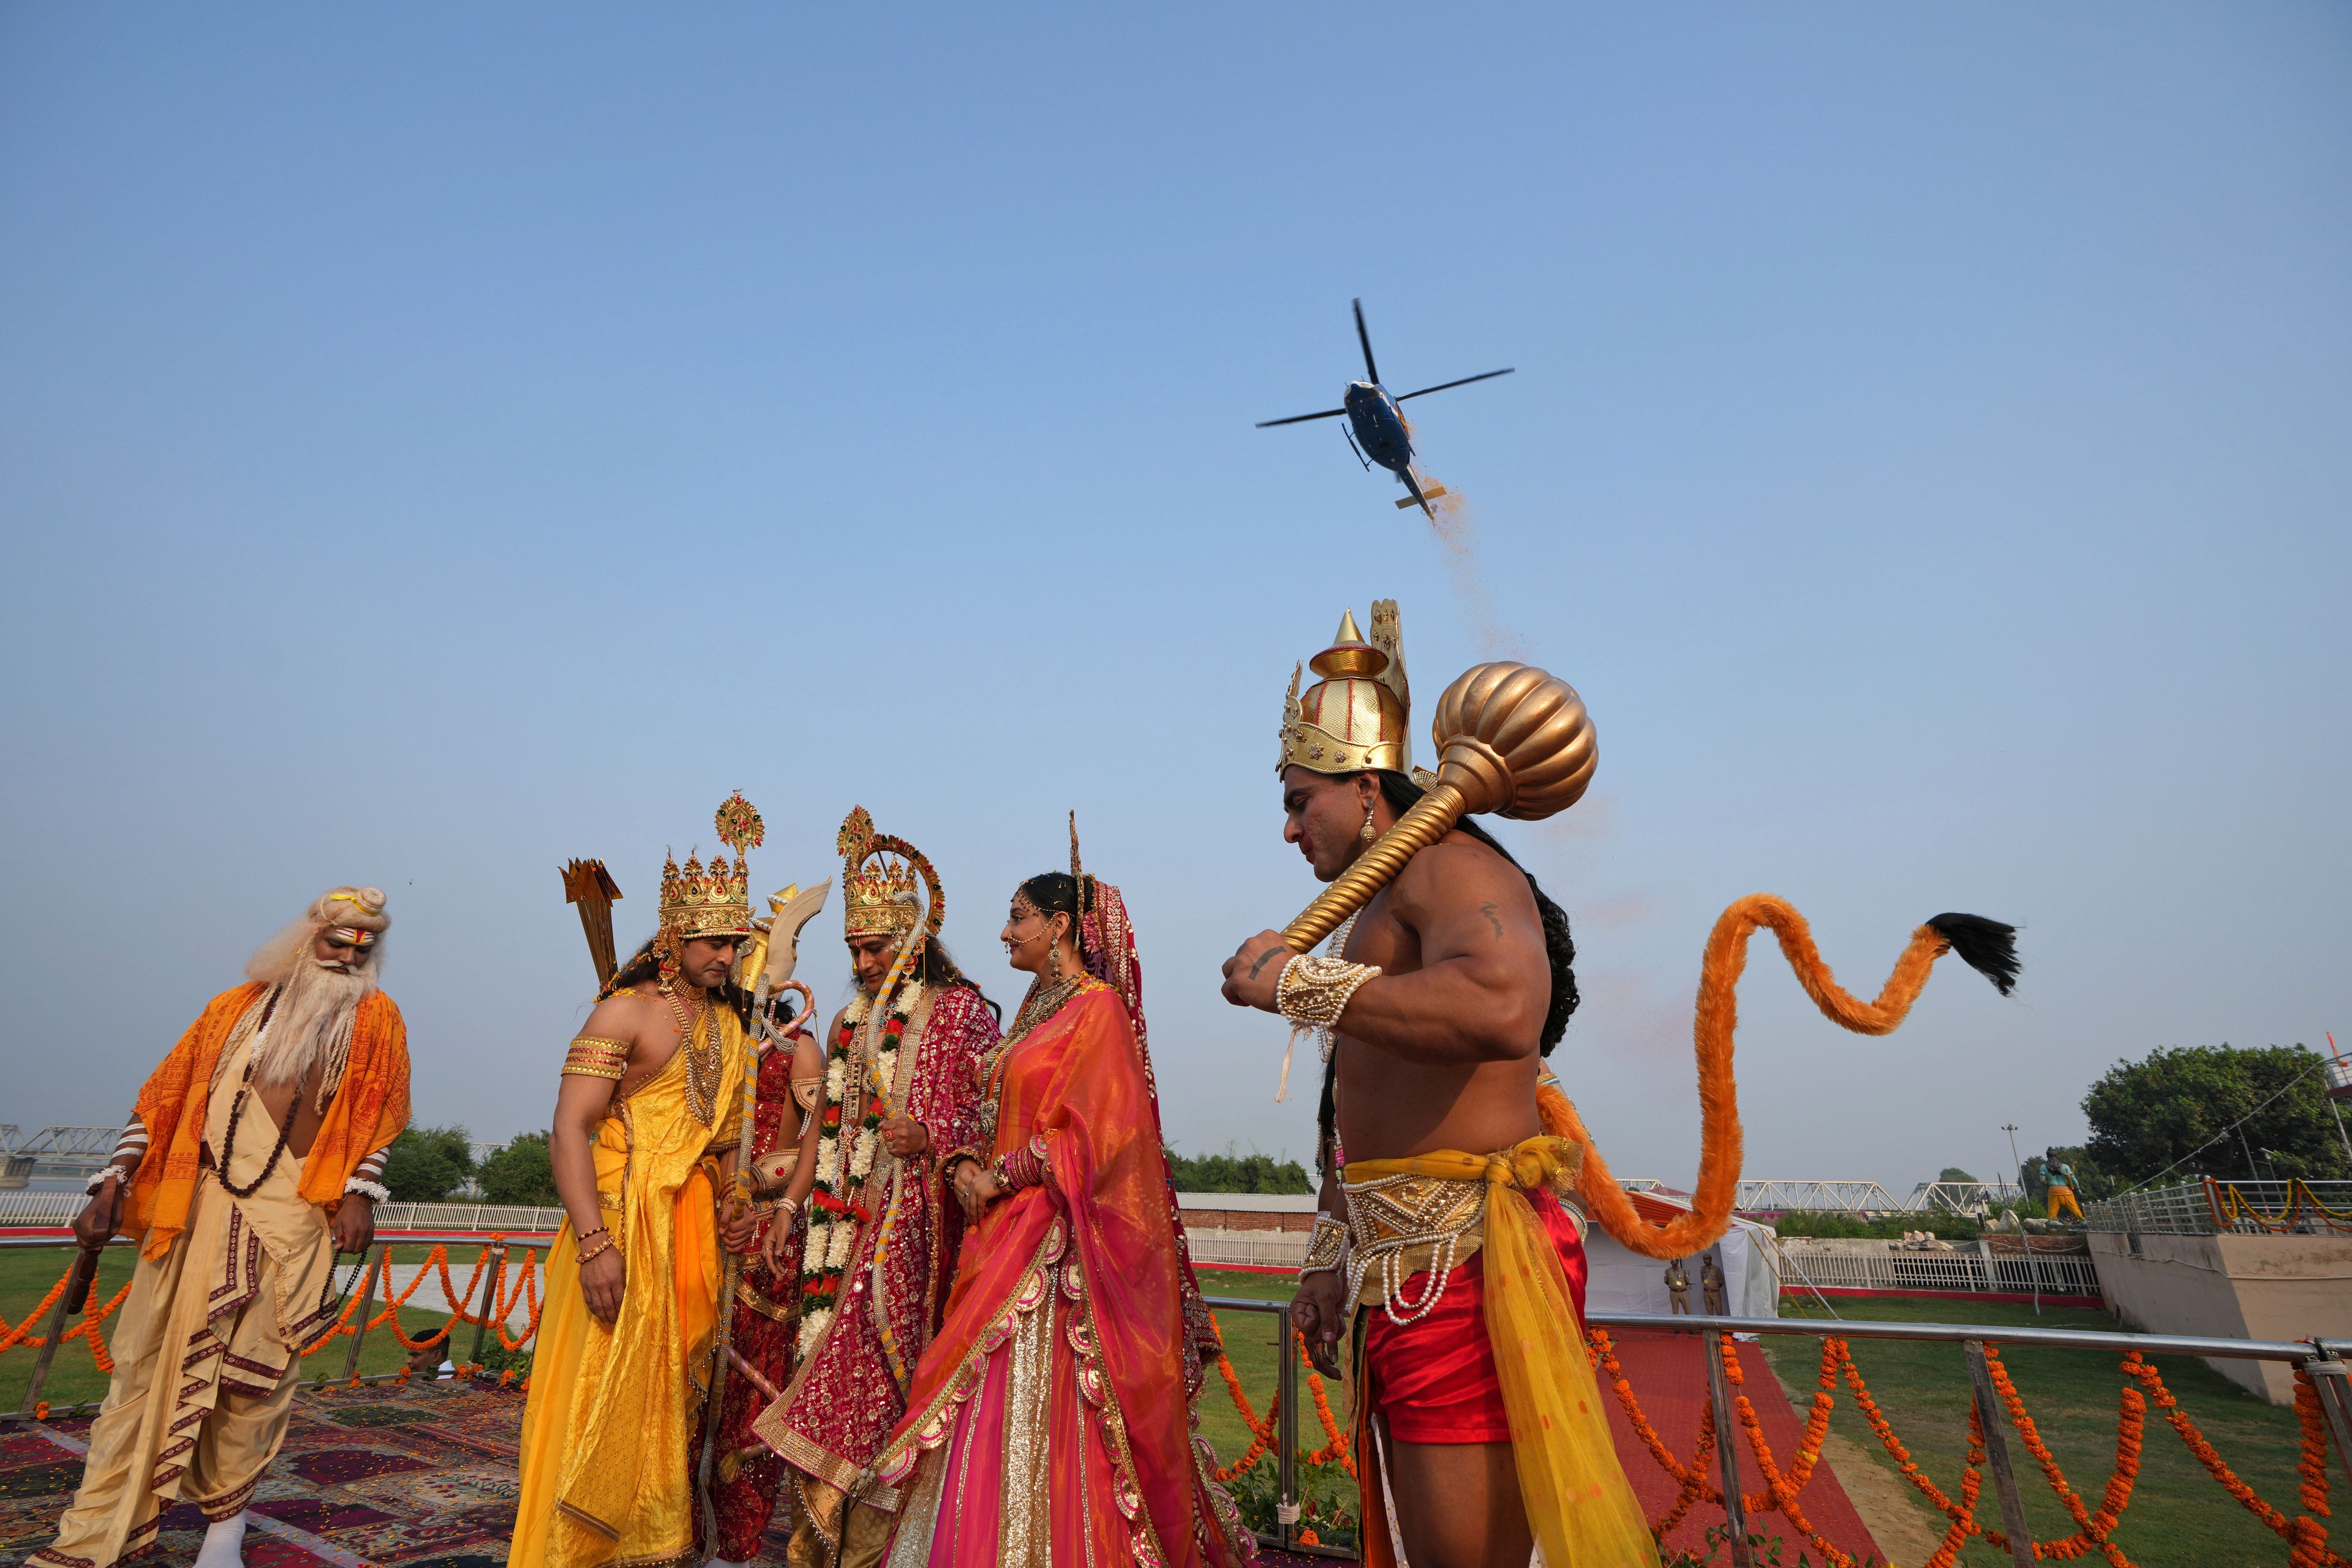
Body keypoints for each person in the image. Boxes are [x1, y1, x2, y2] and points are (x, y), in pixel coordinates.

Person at [1221, 604, 1656, 1568]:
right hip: (1402, 1271)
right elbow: (1356, 1109)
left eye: (1302, 800)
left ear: (1367, 787)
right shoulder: (1378, 905)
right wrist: (1331, 1253)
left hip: (1465, 1261)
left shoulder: (1451, 867)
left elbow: (1503, 1004)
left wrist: (1299, 981)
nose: (1289, 826)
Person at [869, 832, 1257, 1567]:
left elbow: (1103, 1134)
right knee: (988, 1419)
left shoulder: (1097, 1008)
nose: (1006, 931)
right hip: (1003, 1233)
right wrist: (960, 1162)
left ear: (1061, 926)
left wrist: (1003, 1174)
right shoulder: (1033, 1013)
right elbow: (997, 1113)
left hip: (1054, 1251)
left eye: (1019, 916)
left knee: (1049, 1418)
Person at [34, 887, 411, 1568]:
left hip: (293, 1214)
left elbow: (380, 1117)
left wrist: (361, 1192)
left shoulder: (377, 1019)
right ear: (307, 939)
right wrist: (113, 1178)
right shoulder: (233, 1008)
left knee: (256, 1379)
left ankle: (224, 1531)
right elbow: (161, 1098)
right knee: (147, 1365)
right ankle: (102, 1521)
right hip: (203, 1205)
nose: (350, 955)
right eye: (338, 941)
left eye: (364, 947)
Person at [510, 797, 764, 1568]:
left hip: (687, 1229)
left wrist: (739, 1197)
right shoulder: (622, 1013)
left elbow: (723, 1147)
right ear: (675, 937)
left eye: (735, 941)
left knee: (670, 1401)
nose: (727, 955)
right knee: (594, 1392)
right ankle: (570, 1552)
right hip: (619, 1221)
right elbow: (568, 1129)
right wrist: (593, 1244)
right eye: (714, 941)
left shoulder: (730, 1027)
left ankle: (647, 1546)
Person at [753, 808, 998, 1568]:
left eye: (876, 945)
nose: (861, 961)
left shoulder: (960, 1012)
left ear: (914, 941)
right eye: (854, 947)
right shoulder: (849, 1025)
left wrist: (931, 1138)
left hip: (912, 1236)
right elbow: (823, 1127)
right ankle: (820, 1546)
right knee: (822, 1365)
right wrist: (791, 1208)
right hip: (836, 1228)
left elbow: (994, 1111)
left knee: (885, 1387)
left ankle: (877, 1549)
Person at [2044, 1148, 2084, 1222]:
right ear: (2056, 1156)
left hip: (2053, 1191)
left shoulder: (2043, 1167)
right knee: (2075, 1209)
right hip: (2067, 1191)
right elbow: (2074, 1180)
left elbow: (2042, 1180)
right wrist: (2078, 1189)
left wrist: (2047, 1183)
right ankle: (2082, 1222)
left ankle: (2051, 1224)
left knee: (2052, 1212)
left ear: (2047, 1156)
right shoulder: (2065, 1167)